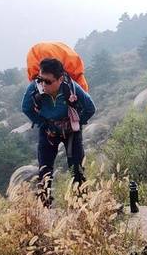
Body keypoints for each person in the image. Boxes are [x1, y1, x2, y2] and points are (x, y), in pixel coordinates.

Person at [21, 57, 96, 207]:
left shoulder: (72, 88)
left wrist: (76, 122)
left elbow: (90, 108)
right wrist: (44, 123)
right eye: (41, 79)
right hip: (47, 132)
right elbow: (26, 108)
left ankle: (82, 206)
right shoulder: (35, 88)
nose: (43, 84)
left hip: (71, 132)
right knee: (45, 170)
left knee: (76, 168)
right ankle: (44, 208)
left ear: (60, 79)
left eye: (48, 81)